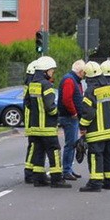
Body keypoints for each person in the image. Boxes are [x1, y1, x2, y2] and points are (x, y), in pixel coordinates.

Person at [24, 55, 70, 188]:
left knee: (38, 152)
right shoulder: (47, 85)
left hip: (36, 127)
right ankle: (57, 180)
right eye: (51, 70)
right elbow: (50, 107)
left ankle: (38, 179)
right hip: (48, 127)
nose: (52, 73)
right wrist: (56, 114)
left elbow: (27, 102)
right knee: (54, 150)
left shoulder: (32, 85)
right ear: (45, 71)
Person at [78, 61, 110, 192]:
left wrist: (82, 126)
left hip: (96, 133)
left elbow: (88, 113)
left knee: (96, 156)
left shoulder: (90, 91)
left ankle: (95, 183)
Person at [57, 59, 86, 181]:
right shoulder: (70, 80)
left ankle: (68, 169)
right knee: (71, 144)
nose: (84, 75)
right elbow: (67, 99)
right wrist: (74, 112)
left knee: (72, 144)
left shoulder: (73, 79)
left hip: (71, 116)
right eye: (84, 72)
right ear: (80, 71)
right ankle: (66, 170)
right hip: (69, 117)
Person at [23, 58, 40, 184]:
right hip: (32, 121)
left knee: (33, 146)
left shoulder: (28, 83)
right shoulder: (32, 84)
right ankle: (29, 173)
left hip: (31, 120)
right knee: (33, 146)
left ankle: (32, 171)